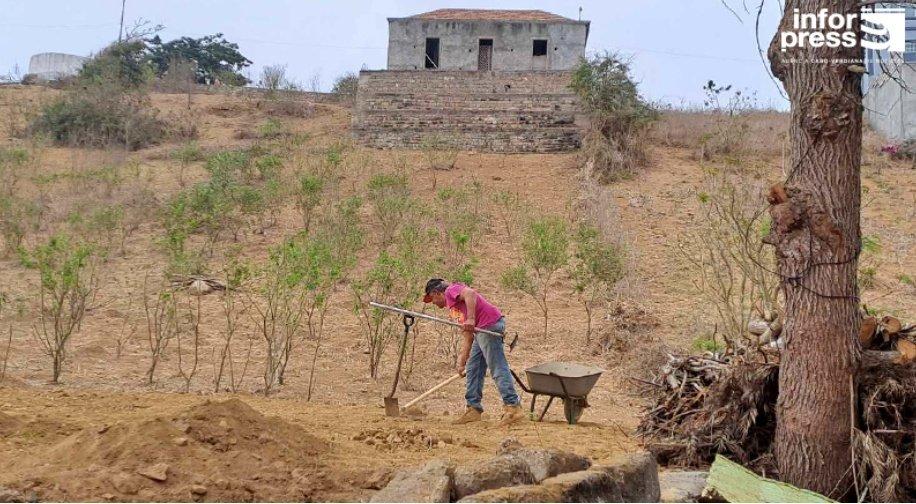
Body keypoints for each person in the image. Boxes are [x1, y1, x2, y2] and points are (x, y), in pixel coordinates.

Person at [422, 278, 524, 426]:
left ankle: (513, 407)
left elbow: (470, 293)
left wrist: (471, 318)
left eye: (432, 299)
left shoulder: (450, 290)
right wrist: (462, 361)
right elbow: (468, 336)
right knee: (473, 368)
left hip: (489, 325)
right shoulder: (454, 308)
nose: (433, 303)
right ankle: (473, 409)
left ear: (436, 293)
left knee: (497, 366)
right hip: (481, 330)